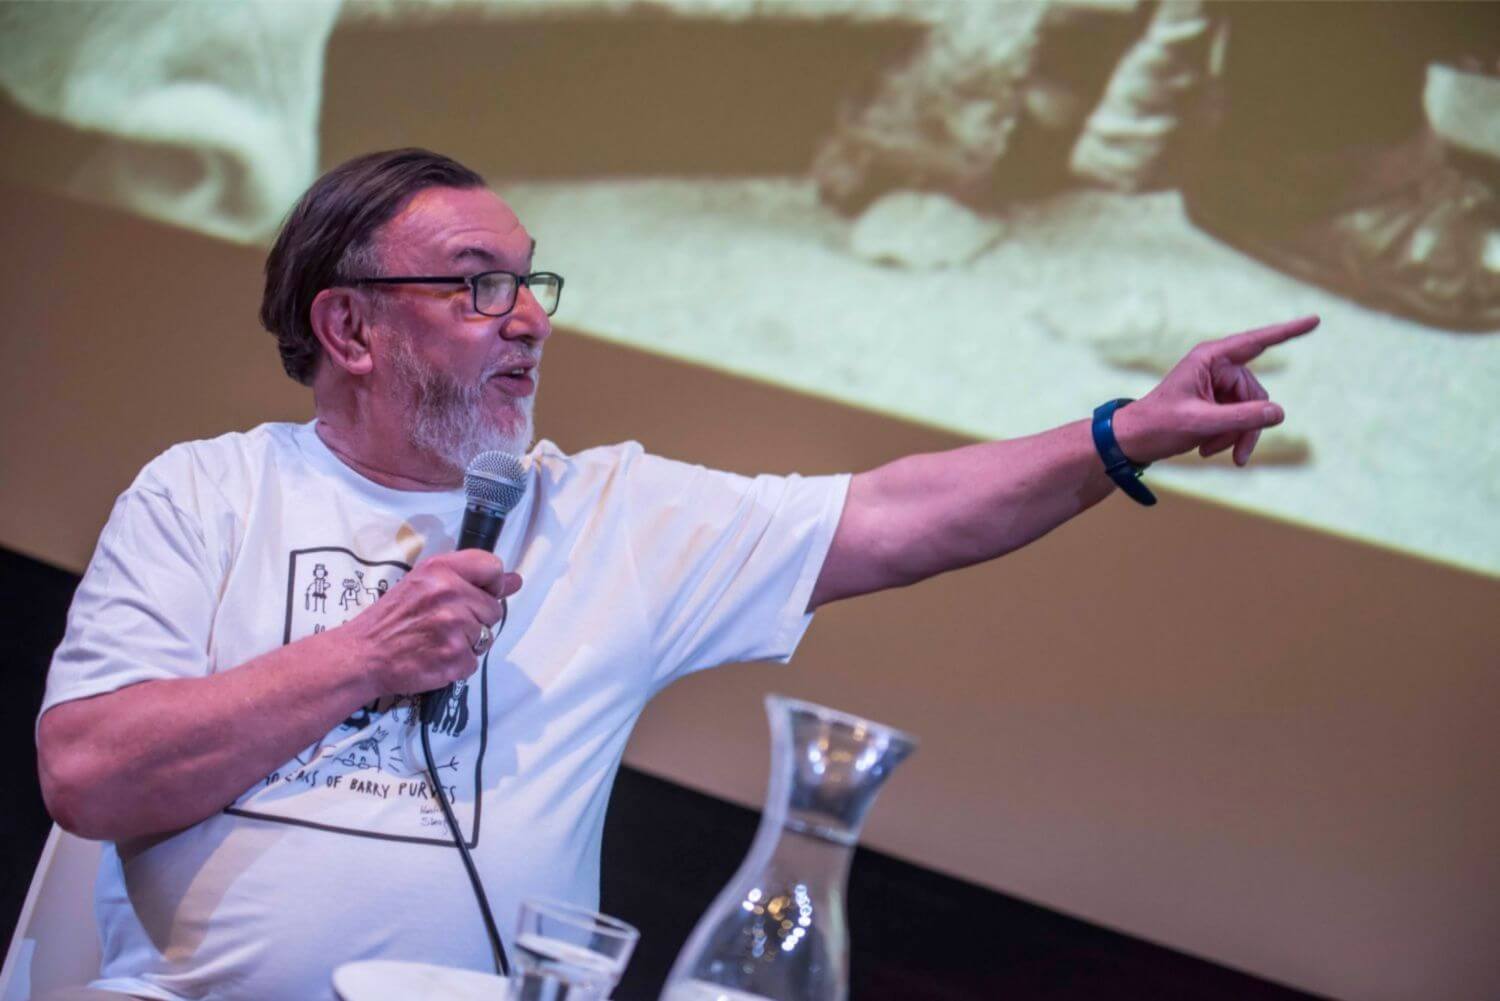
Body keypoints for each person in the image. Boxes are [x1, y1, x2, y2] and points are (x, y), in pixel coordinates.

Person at [34, 148, 1315, 1001]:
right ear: (348, 326)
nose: (530, 316)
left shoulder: (610, 515)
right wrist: (364, 655)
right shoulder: (208, 493)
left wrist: (1119, 434)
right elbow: (89, 772)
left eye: (530, 280)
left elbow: (898, 515)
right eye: (478, 286)